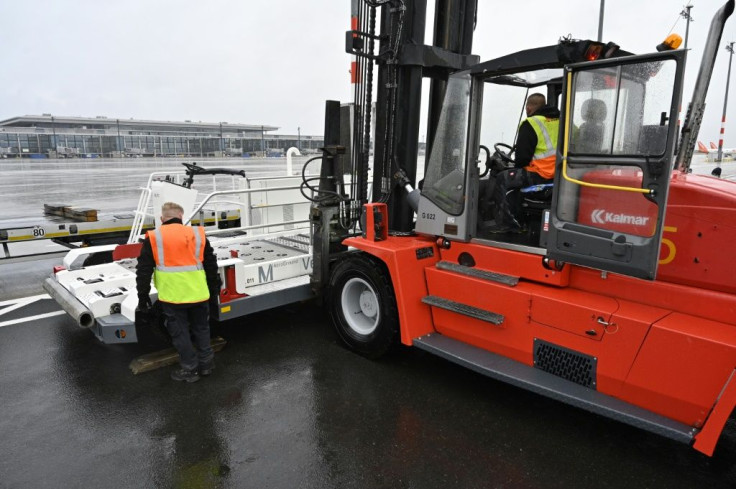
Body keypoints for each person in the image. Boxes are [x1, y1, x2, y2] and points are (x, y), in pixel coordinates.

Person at [136, 202, 221, 383]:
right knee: (202, 329)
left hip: (173, 297)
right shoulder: (197, 234)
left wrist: (142, 297)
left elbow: (143, 270)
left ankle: (190, 369)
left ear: (162, 218)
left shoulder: (154, 237)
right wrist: (214, 290)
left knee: (180, 333)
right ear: (181, 217)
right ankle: (206, 365)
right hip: (199, 294)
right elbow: (211, 265)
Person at [487, 93, 560, 233]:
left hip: (540, 174)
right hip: (558, 174)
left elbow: (522, 158)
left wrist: (515, 166)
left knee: (502, 178)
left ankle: (510, 225)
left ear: (528, 108)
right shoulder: (562, 120)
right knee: (515, 179)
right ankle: (520, 217)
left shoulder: (531, 123)